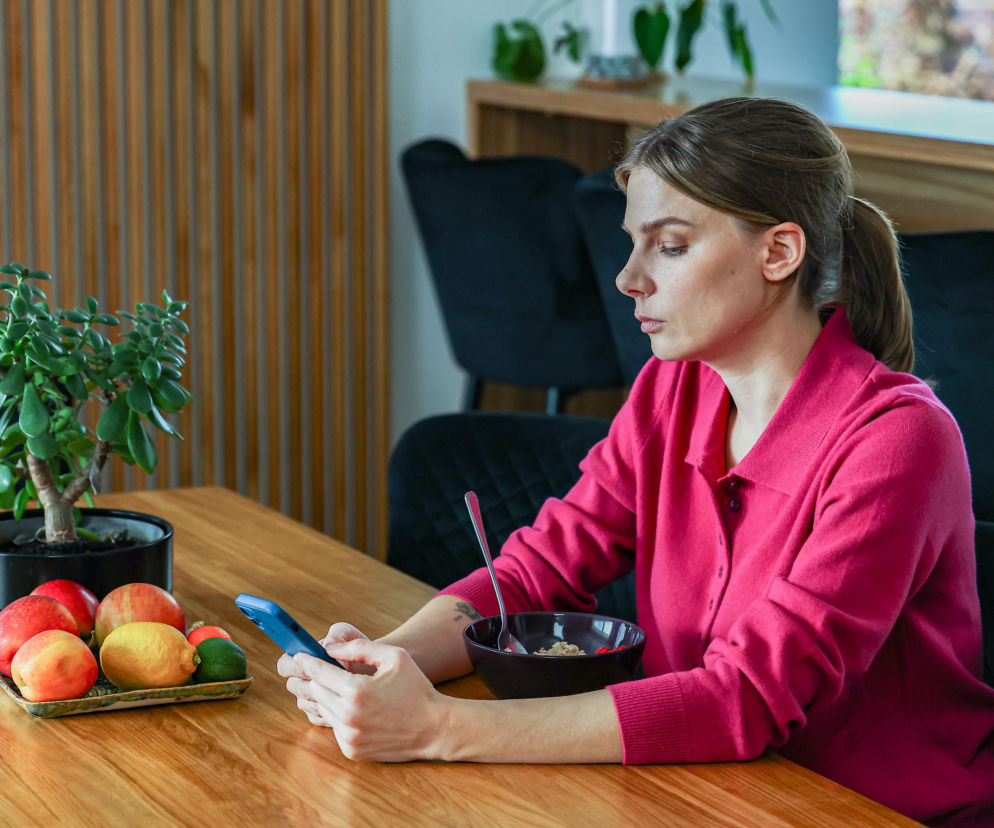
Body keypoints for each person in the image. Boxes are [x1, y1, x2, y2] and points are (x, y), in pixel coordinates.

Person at [279, 97, 994, 826]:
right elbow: (535, 573)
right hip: (700, 790)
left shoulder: (897, 441)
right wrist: (378, 665)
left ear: (778, 252)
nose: (627, 279)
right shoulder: (673, 387)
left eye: (671, 246)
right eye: (632, 243)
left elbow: (744, 696)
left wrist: (440, 729)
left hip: (876, 811)